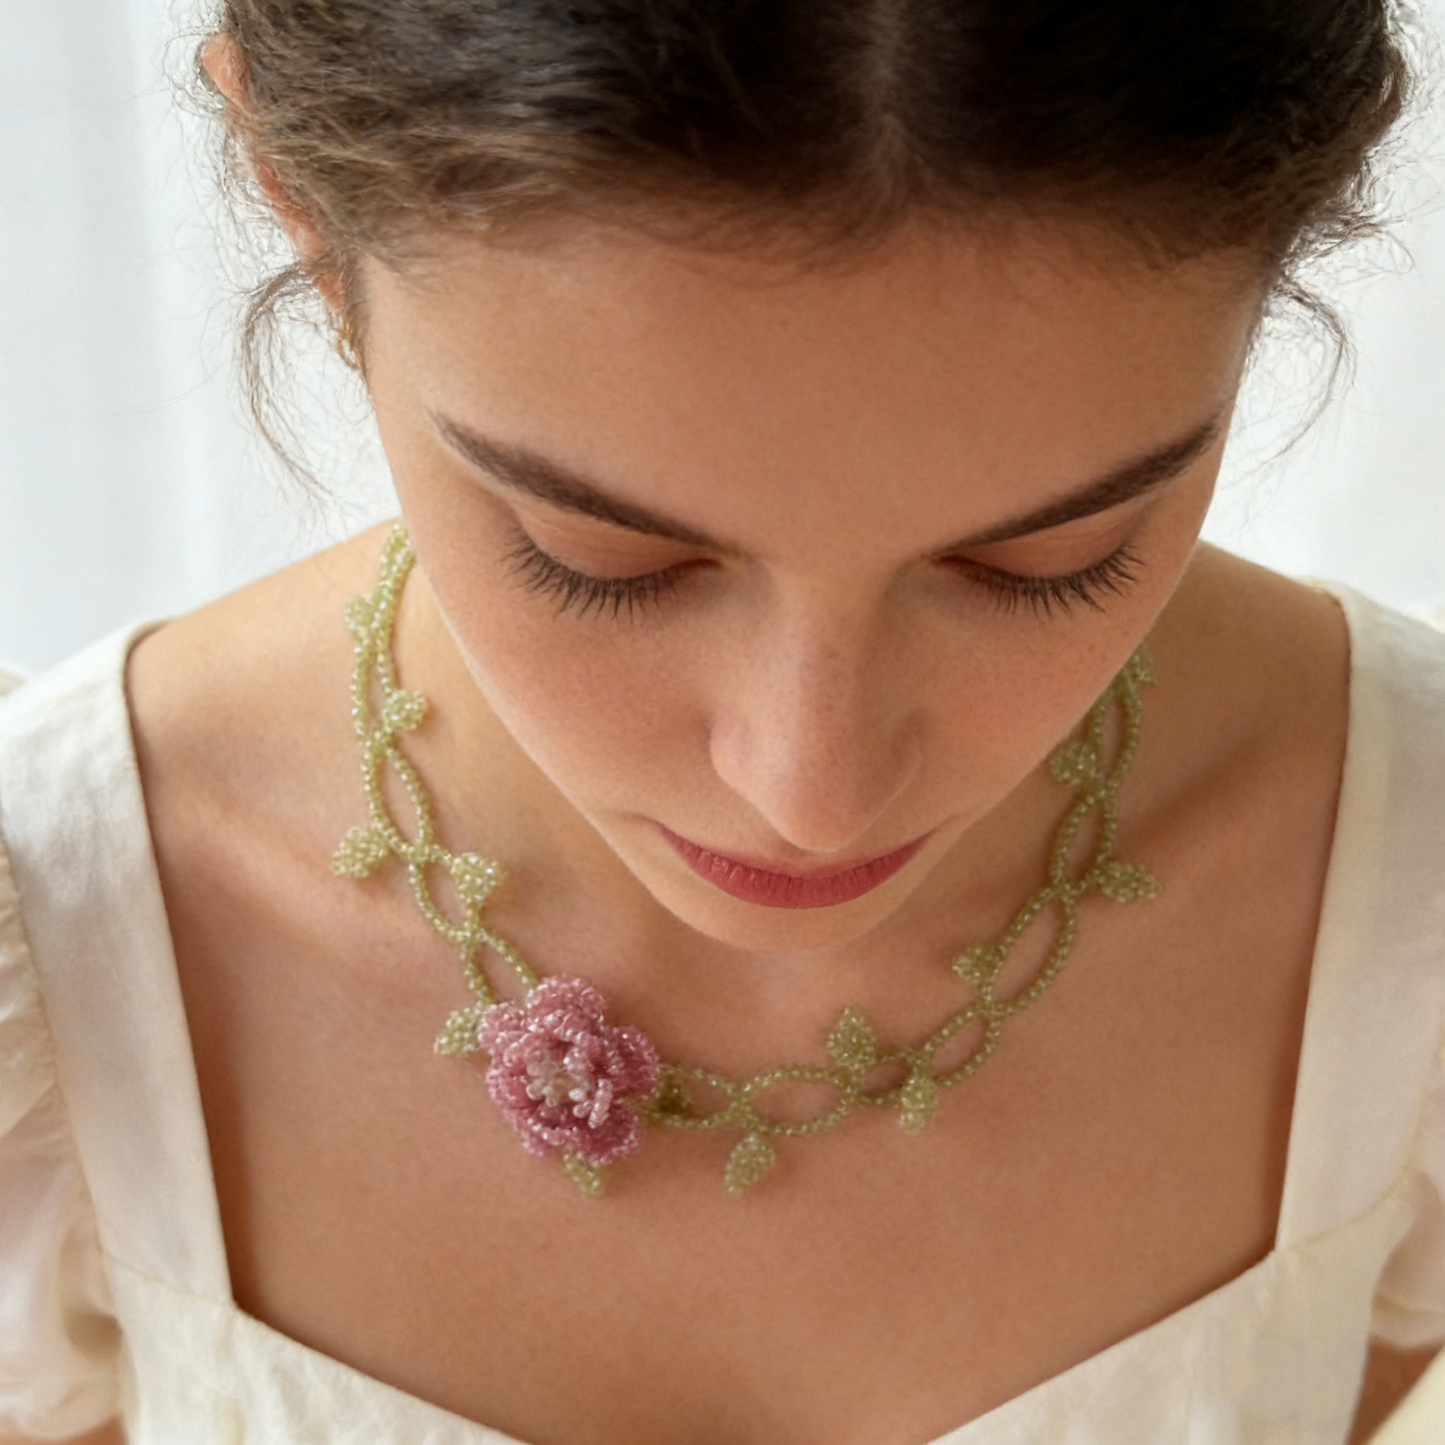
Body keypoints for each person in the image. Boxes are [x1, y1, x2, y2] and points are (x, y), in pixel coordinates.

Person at [3, 1, 1445, 1442]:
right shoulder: (54, 963)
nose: (813, 790)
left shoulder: (1411, 906)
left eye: (1050, 563)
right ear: (300, 213)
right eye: (603, 559)